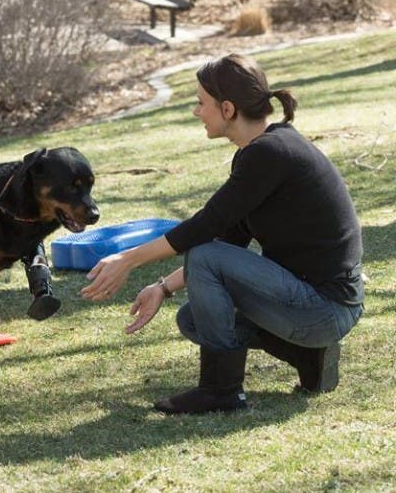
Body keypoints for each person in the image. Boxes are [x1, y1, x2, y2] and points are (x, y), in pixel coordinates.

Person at [80, 53, 363, 415]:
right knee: (194, 318)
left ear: (227, 109)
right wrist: (162, 288)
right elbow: (227, 238)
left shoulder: (269, 154)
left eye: (201, 103)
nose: (197, 112)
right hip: (318, 308)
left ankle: (221, 391)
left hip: (324, 309)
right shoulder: (264, 152)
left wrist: (127, 259)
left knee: (203, 254)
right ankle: (308, 355)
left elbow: (205, 228)